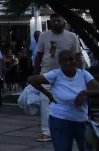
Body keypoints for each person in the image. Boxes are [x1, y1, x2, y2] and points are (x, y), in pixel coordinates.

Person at [28, 50, 99, 151]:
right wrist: (48, 94)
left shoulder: (83, 74)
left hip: (81, 120)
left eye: (71, 59)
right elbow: (32, 79)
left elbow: (97, 89)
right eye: (65, 60)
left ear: (76, 61)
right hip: (59, 119)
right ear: (60, 63)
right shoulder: (55, 75)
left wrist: (84, 93)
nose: (68, 62)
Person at [34, 13, 83, 142]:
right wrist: (35, 73)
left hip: (66, 74)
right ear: (50, 22)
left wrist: (81, 73)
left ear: (64, 21)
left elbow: (78, 56)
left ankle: (69, 127)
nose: (56, 23)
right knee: (45, 101)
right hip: (47, 73)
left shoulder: (72, 37)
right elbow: (38, 55)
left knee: (67, 100)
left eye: (58, 20)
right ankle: (46, 131)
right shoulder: (44, 36)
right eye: (53, 21)